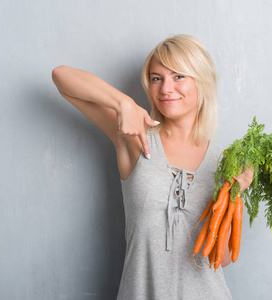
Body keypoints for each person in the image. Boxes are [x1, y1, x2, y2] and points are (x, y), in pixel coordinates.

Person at [52, 34, 254, 300]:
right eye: (157, 78)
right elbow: (62, 77)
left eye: (178, 76)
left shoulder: (226, 161)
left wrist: (234, 195)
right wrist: (122, 102)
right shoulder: (134, 138)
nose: (165, 88)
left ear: (202, 81)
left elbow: (222, 259)